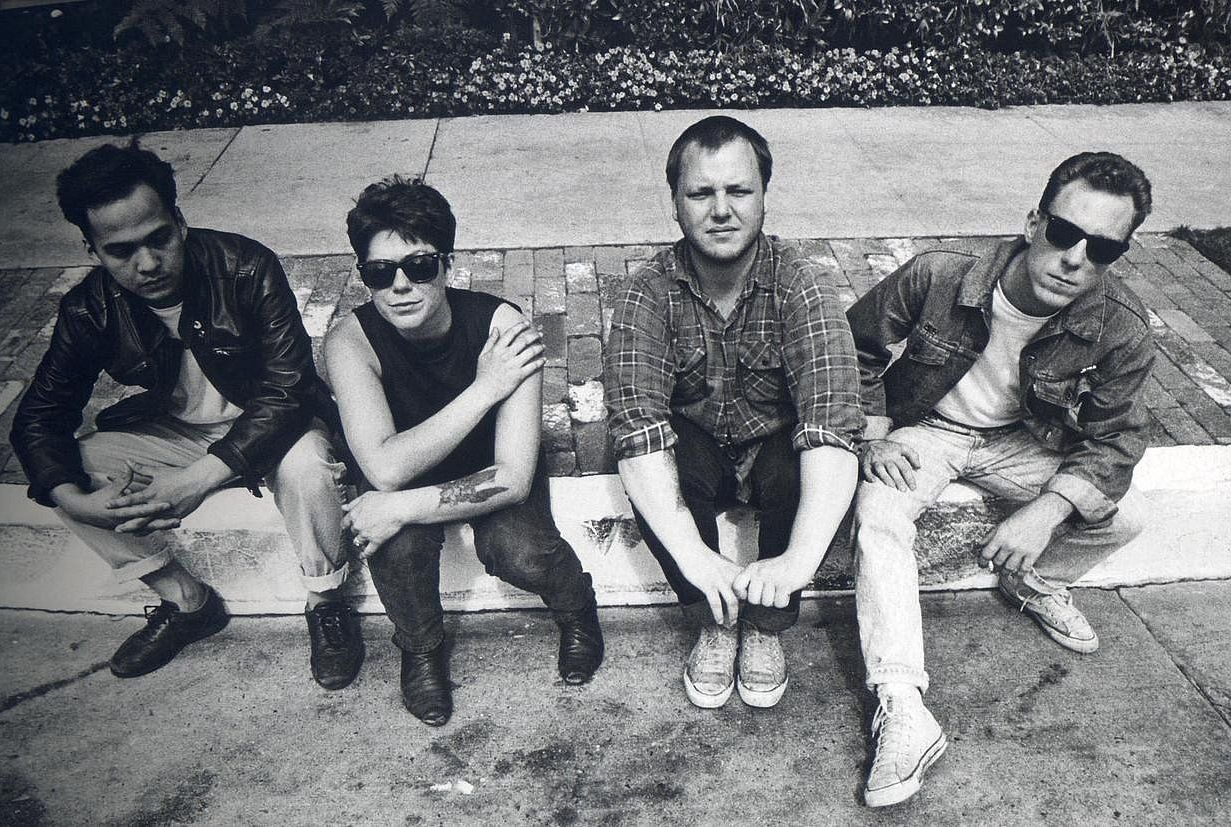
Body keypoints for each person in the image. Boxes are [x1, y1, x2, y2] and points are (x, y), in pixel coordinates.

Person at [846, 152, 1155, 806]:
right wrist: (871, 433)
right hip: (927, 427)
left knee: (1125, 514)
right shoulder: (940, 275)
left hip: (1023, 441)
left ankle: (1030, 577)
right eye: (1065, 233)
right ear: (1033, 222)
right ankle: (903, 705)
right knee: (878, 517)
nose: (1075, 259)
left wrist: (1047, 509)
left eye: (1101, 248)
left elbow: (1118, 438)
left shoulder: (1120, 326)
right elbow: (853, 350)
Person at [10, 143, 363, 689]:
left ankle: (326, 602)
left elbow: (288, 388)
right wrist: (75, 501)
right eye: (121, 251)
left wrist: (199, 480)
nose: (147, 263)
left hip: (275, 424)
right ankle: (187, 602)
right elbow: (39, 417)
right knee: (69, 470)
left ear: (179, 220)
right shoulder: (88, 308)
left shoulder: (245, 267)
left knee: (308, 469)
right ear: (92, 249)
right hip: (178, 432)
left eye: (159, 238)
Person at [604, 116, 865, 710]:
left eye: (738, 191)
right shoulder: (648, 291)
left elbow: (832, 423)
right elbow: (638, 433)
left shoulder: (802, 284)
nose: (721, 210)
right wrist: (695, 557)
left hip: (772, 443)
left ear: (764, 195)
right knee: (661, 468)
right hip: (697, 446)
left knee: (800, 465)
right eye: (701, 193)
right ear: (676, 204)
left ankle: (768, 627)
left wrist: (796, 564)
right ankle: (714, 622)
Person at [323, 176, 603, 727]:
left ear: (447, 265)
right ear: (364, 276)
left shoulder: (503, 330)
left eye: (419, 267)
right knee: (396, 548)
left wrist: (401, 505)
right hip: (403, 472)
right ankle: (420, 649)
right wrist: (485, 389)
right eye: (380, 273)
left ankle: (577, 607)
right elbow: (384, 468)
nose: (400, 286)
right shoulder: (349, 342)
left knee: (519, 551)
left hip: (487, 466)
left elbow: (513, 478)